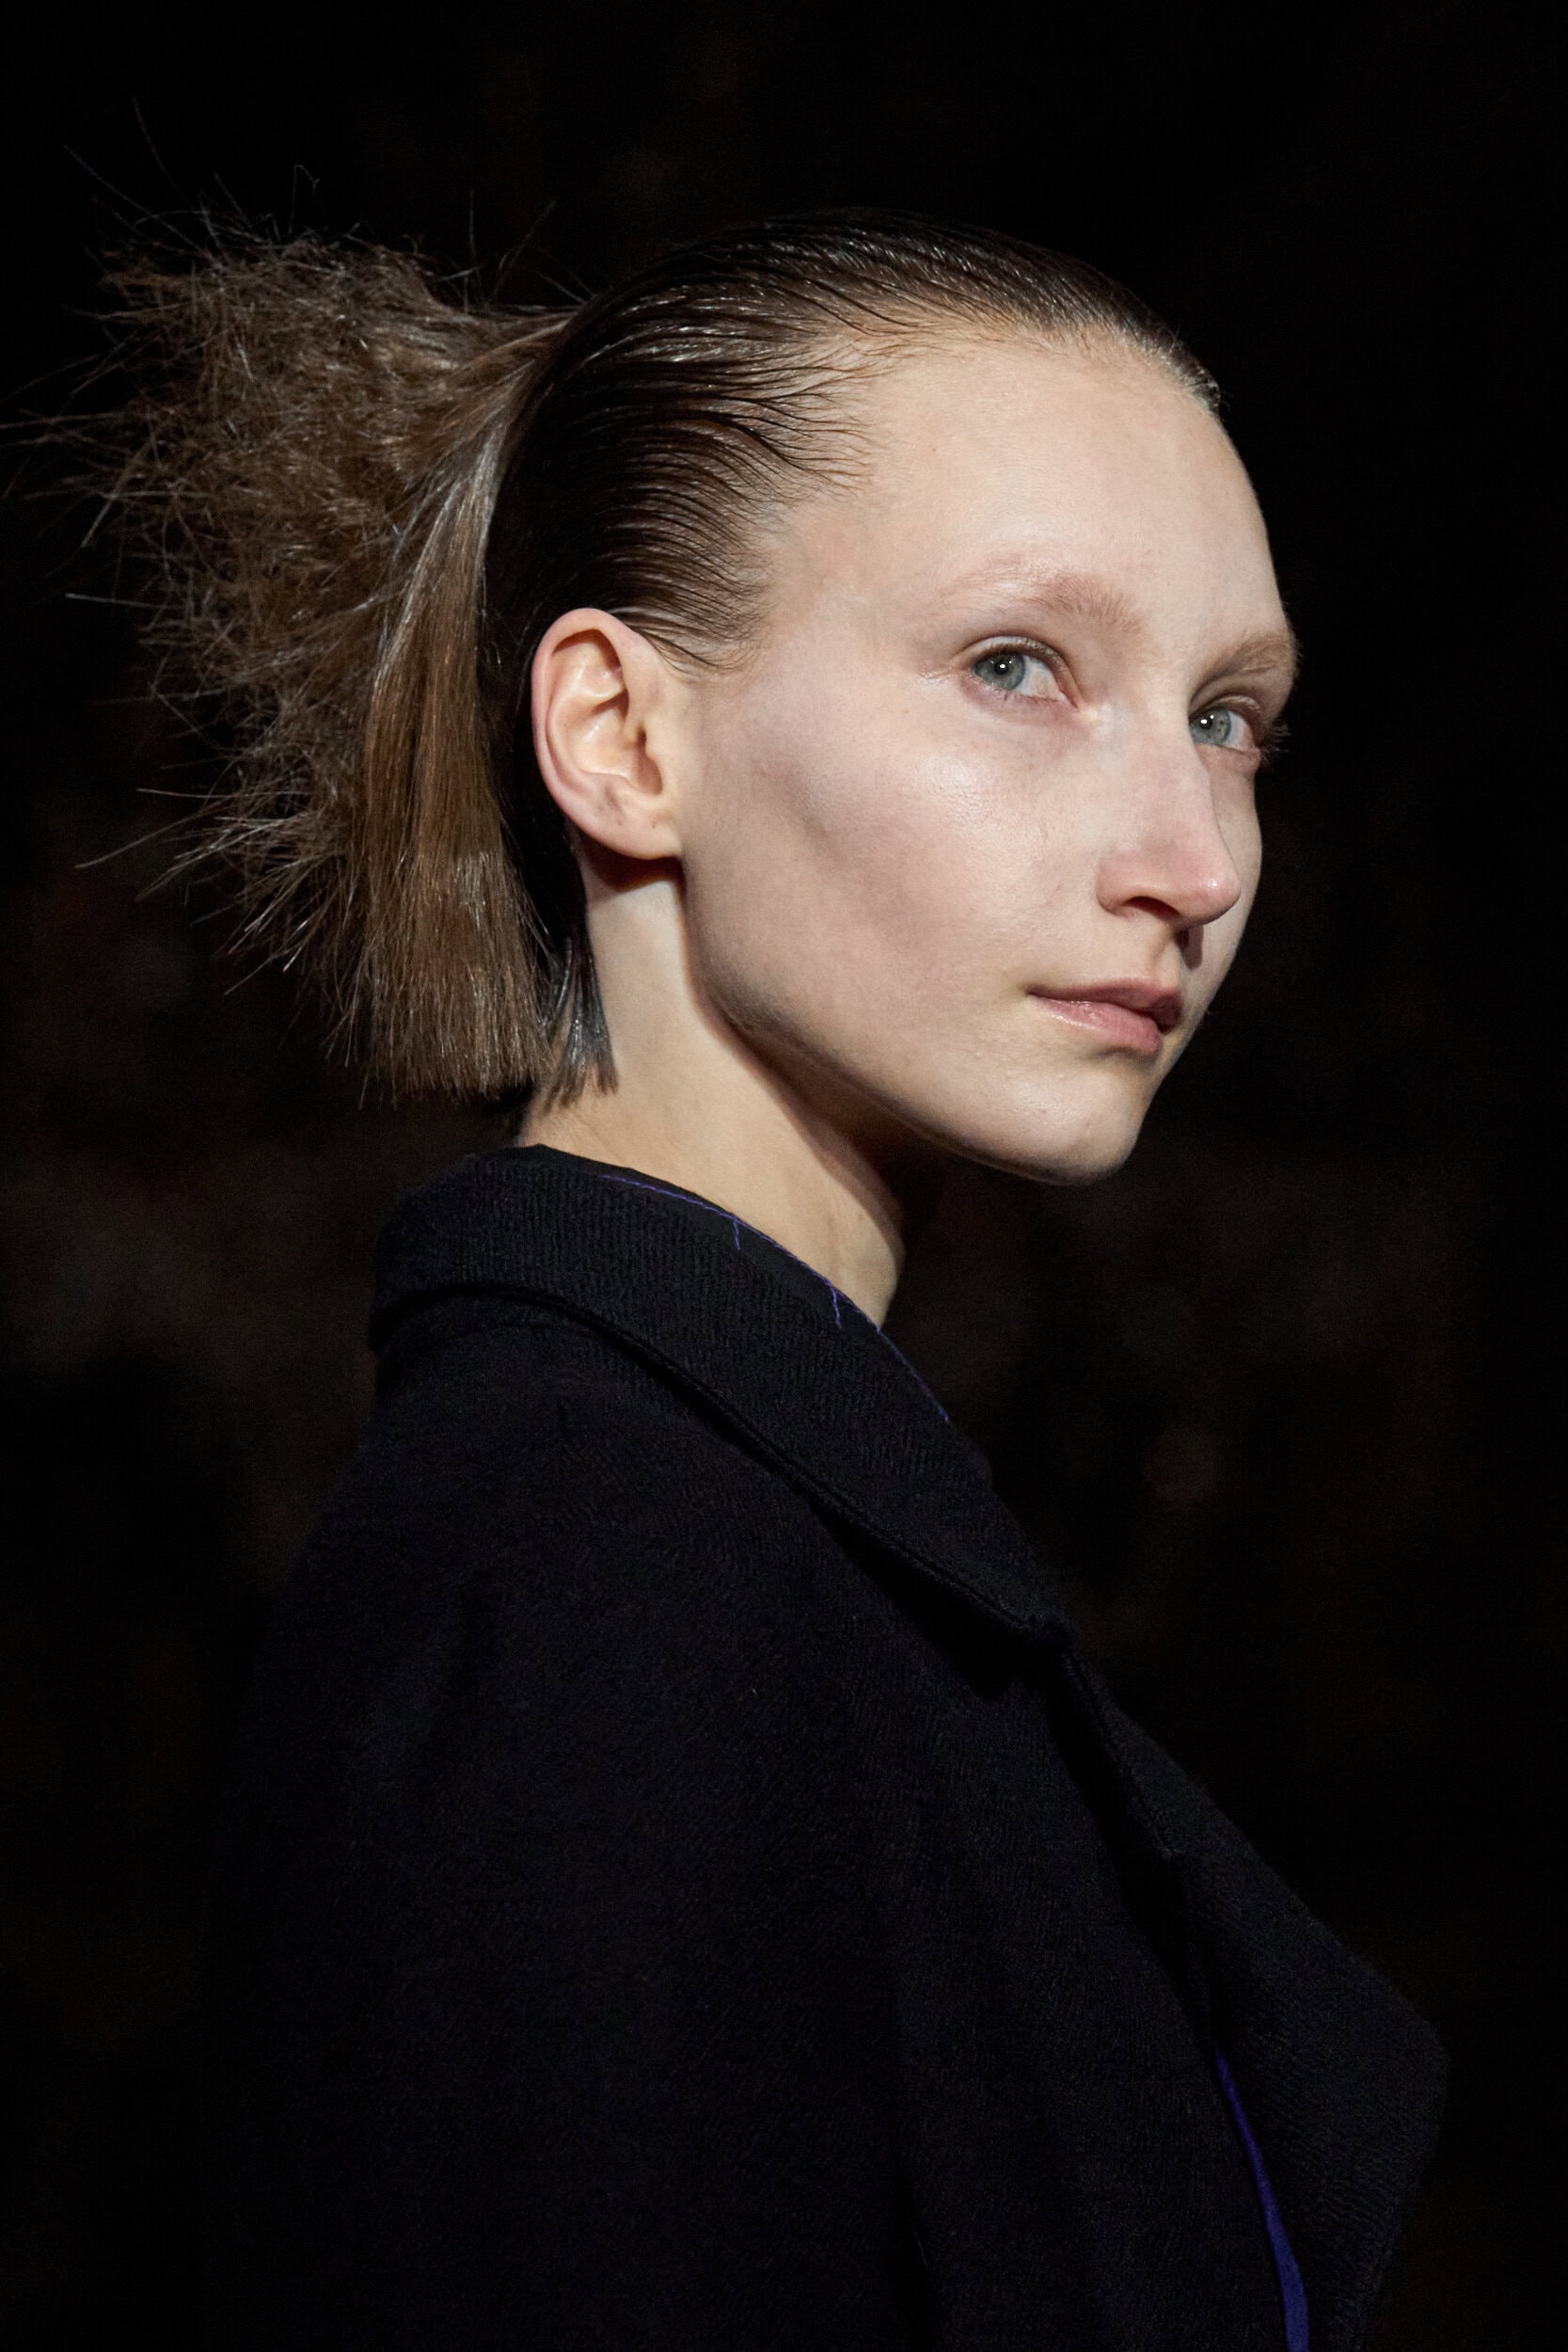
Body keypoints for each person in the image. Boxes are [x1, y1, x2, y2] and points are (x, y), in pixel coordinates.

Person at [115, 212, 1444, 2347]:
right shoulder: (605, 1584)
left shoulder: (722, 1529)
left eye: (1227, 717)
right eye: (1019, 668)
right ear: (622, 737)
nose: (1194, 862)